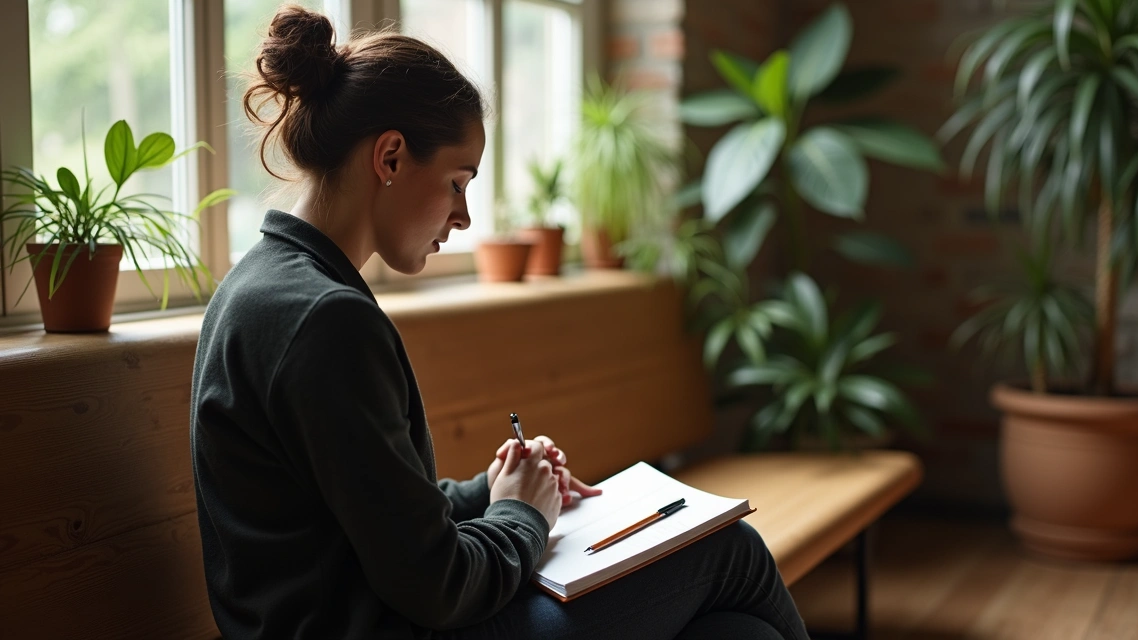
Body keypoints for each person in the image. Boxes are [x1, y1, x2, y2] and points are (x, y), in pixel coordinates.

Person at [189, 4, 811, 639]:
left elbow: (372, 522)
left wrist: (494, 488)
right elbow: (439, 587)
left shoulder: (261, 285)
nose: (463, 217)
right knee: (730, 551)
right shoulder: (323, 319)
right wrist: (522, 515)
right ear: (392, 157)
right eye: (458, 183)